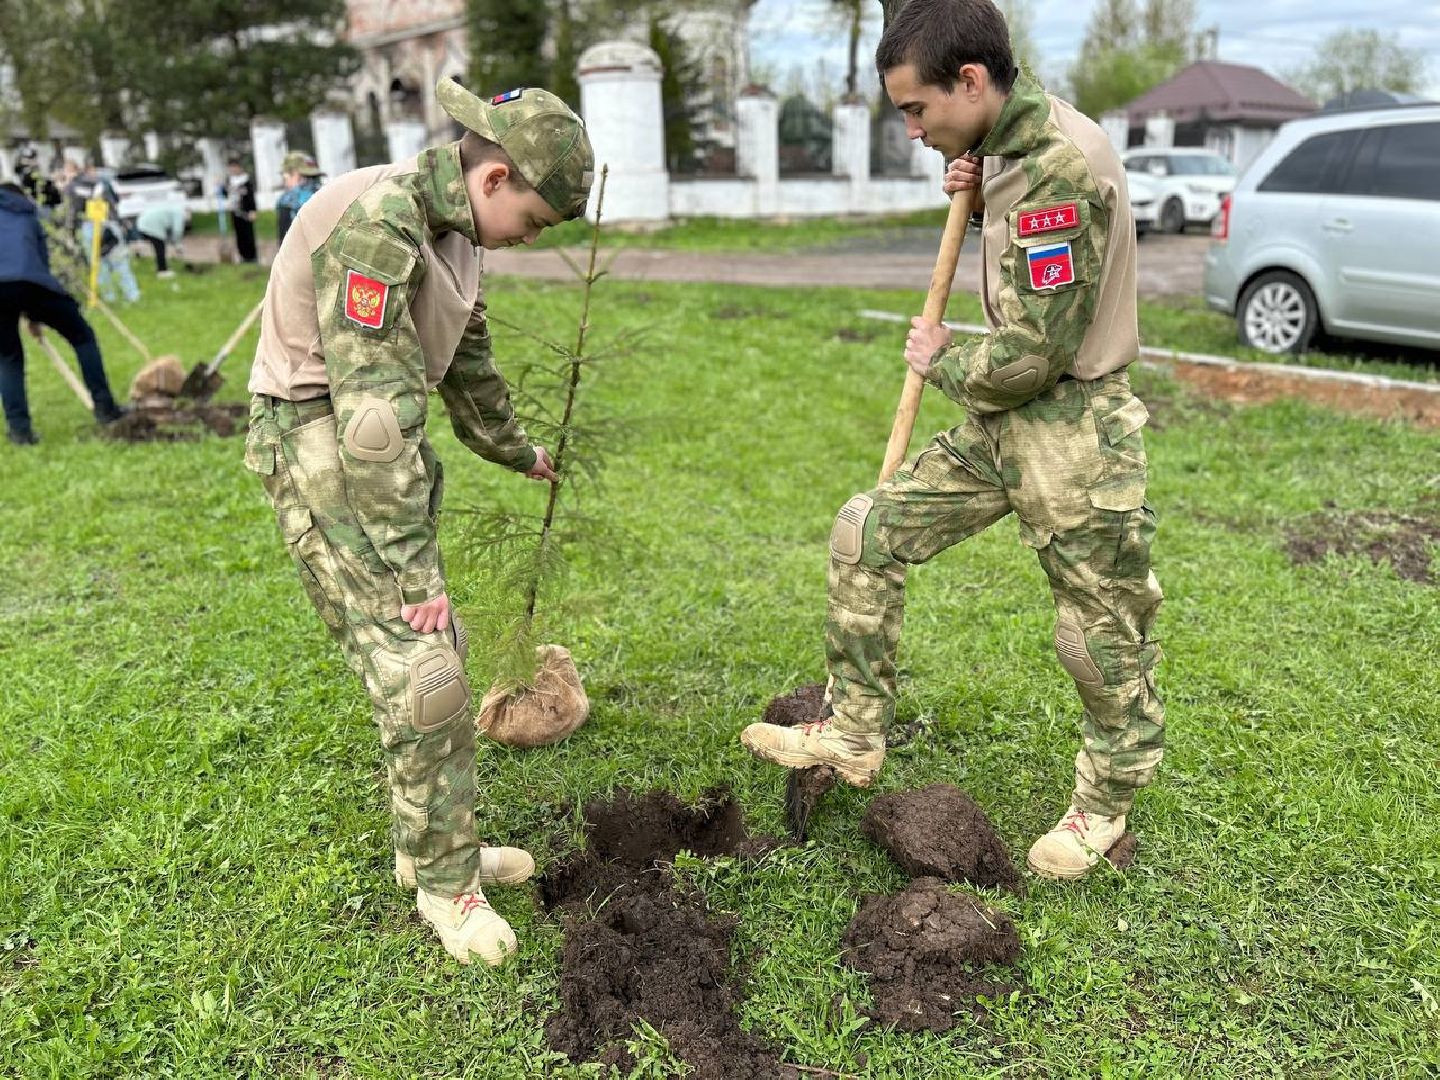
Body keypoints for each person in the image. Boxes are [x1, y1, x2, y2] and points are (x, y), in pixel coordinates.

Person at [740, 0, 1164, 882]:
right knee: (867, 530)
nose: (912, 129)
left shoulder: (1059, 170)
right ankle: (853, 731)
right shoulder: (1004, 153)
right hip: (1001, 429)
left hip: (1073, 432)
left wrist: (939, 356)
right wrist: (976, 200)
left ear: (971, 82)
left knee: (1097, 632)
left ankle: (1106, 804)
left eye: (916, 110)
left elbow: (1033, 356)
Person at [243, 80, 592, 965]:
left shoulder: (460, 232)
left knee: (436, 660)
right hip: (321, 438)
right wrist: (413, 571)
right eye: (537, 219)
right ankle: (447, 886)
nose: (533, 237)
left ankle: (430, 847)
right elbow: (370, 421)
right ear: (496, 177)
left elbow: (466, 364)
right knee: (425, 664)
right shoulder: (382, 224)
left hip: (373, 445)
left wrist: (516, 450)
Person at [0, 183, 127, 444]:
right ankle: (106, 408)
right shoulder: (26, 213)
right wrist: (36, 312)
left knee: (8, 358)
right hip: (33, 281)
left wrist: (32, 317)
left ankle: (20, 431)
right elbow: (38, 262)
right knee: (82, 337)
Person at [274, 151, 323, 246]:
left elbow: (284, 240)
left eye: (285, 176)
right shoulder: (325, 193)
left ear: (295, 174)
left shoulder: (287, 200)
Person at [135, 202, 186, 278]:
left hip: (142, 223)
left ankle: (161, 267)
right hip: (151, 225)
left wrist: (174, 242)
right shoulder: (179, 214)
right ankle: (162, 271)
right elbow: (177, 230)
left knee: (159, 246)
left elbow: (169, 231)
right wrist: (178, 245)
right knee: (160, 247)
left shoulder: (173, 209)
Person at [223, 159, 257, 263]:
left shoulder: (246, 180)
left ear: (239, 167)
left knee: (248, 234)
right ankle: (242, 255)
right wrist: (221, 187)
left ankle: (251, 256)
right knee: (239, 234)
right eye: (231, 168)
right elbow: (225, 193)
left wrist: (253, 210)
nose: (233, 170)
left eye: (234, 167)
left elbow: (251, 197)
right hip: (235, 211)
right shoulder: (230, 181)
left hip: (246, 212)